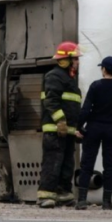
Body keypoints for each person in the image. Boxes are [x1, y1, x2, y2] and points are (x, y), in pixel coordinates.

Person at [75, 56, 112, 210]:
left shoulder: (96, 86)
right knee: (110, 166)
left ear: (104, 69)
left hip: (94, 128)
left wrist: (79, 127)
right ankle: (107, 202)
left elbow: (86, 109)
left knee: (87, 164)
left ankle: (81, 200)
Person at [37, 41, 82, 208]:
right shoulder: (54, 76)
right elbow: (52, 101)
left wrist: (75, 128)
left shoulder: (69, 79)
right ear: (66, 60)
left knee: (66, 163)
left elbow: (72, 106)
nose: (78, 62)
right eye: (76, 59)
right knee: (53, 162)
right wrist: (60, 121)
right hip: (55, 129)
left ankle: (63, 194)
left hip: (67, 130)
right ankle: (45, 195)